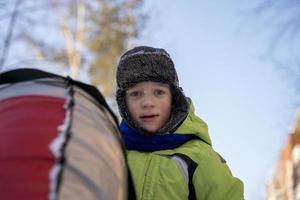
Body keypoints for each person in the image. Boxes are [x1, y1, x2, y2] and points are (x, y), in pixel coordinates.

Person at [116, 46, 244, 200]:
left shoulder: (199, 156)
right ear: (124, 103)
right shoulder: (112, 154)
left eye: (159, 92)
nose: (148, 103)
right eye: (136, 93)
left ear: (174, 98)